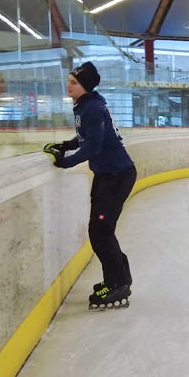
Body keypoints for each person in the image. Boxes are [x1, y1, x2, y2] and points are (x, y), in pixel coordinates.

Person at [43, 61, 137, 310]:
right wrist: (66, 145)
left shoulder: (93, 107)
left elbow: (93, 147)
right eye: (69, 80)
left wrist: (65, 162)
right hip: (106, 175)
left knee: (100, 232)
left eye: (74, 82)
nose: (68, 84)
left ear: (84, 86)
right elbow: (88, 137)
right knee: (100, 231)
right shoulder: (86, 105)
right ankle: (119, 278)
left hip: (117, 176)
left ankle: (117, 283)